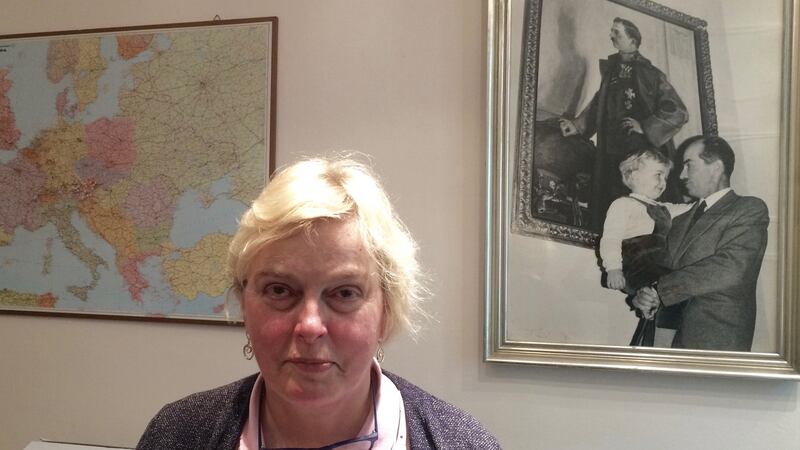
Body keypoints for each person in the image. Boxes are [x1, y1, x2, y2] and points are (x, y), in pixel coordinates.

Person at [136, 157, 501, 449]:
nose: (310, 326)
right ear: (244, 304)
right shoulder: (178, 434)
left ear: (386, 311)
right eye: (280, 290)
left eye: (344, 293)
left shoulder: (462, 443)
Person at [631, 136, 769, 351]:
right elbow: (658, 269)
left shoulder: (748, 208)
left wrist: (661, 289)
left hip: (713, 342)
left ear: (715, 167)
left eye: (688, 165)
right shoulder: (679, 218)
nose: (682, 175)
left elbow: (732, 267)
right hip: (661, 341)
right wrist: (643, 293)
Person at [559, 17, 689, 232]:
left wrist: (645, 127)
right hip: (610, 151)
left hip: (639, 151)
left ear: (633, 41)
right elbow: (599, 103)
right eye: (612, 32)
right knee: (611, 205)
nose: (612, 36)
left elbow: (678, 110)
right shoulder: (611, 73)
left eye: (617, 33)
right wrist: (578, 126)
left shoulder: (651, 75)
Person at [598, 148, 691, 346]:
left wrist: (703, 203)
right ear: (634, 175)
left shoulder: (664, 208)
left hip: (659, 268)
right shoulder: (623, 204)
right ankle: (658, 338)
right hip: (638, 266)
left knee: (674, 298)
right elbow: (611, 238)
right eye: (658, 175)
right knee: (668, 295)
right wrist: (613, 268)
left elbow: (687, 210)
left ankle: (658, 333)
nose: (663, 182)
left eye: (665, 177)